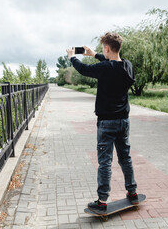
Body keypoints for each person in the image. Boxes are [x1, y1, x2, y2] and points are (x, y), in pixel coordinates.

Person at [66, 32, 138, 215]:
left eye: (103, 49)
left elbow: (83, 69)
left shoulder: (105, 68)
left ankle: (102, 201)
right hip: (124, 121)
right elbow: (111, 62)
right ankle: (132, 192)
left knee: (105, 162)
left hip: (107, 123)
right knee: (125, 158)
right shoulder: (127, 66)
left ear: (107, 48)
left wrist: (72, 57)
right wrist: (94, 54)